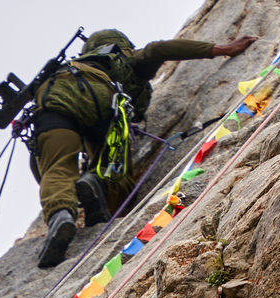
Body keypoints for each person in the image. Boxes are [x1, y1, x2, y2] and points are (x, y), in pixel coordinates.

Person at [30, 29, 259, 268]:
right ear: (122, 45)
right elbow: (159, 50)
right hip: (102, 103)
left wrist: (60, 185)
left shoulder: (67, 68)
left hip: (54, 103)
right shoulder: (122, 59)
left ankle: (61, 216)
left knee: (57, 167)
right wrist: (223, 49)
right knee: (113, 166)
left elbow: (42, 169)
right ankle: (98, 184)